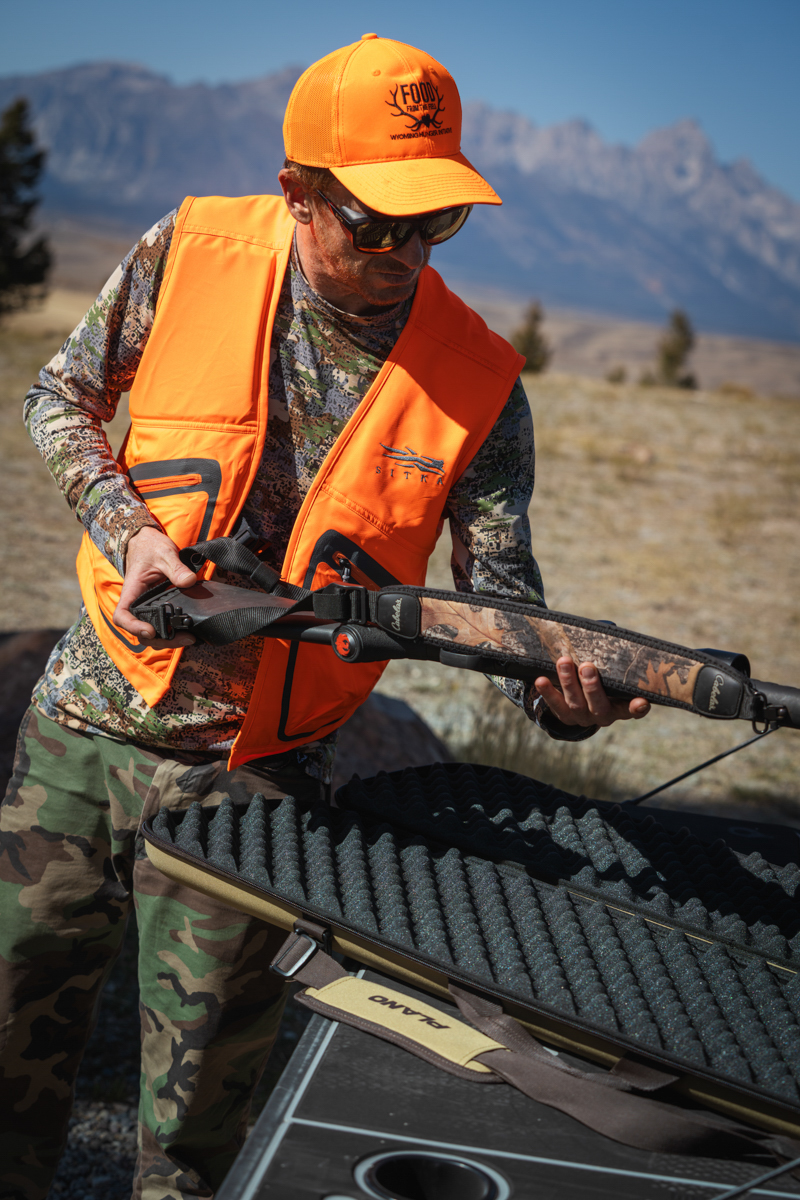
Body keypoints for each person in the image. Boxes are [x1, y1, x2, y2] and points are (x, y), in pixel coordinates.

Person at [0, 34, 650, 1200]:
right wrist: (127, 530)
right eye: (375, 221)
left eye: (436, 220)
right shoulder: (188, 250)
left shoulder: (480, 383)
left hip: (255, 786)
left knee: (191, 1140)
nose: (406, 250)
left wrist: (563, 703)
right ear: (297, 191)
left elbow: (501, 609)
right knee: (8, 1060)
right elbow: (61, 396)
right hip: (79, 731)